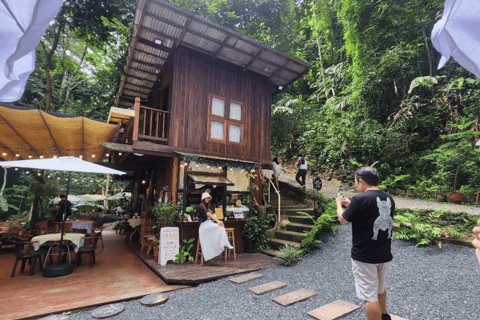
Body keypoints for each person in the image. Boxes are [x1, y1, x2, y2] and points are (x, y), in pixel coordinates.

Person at [335, 167, 395, 320]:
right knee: (380, 288)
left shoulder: (360, 199)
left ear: (361, 181)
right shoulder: (388, 198)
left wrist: (338, 204)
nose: (356, 186)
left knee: (369, 296)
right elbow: (370, 214)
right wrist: (350, 204)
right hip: (384, 253)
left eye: (355, 182)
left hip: (364, 256)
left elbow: (343, 219)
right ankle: (384, 316)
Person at [197, 192, 234, 261]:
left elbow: (213, 214)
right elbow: (208, 214)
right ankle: (225, 243)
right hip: (203, 225)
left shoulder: (209, 206)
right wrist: (217, 221)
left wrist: (218, 221)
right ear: (203, 198)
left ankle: (225, 242)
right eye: (206, 198)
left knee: (221, 225)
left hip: (209, 223)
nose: (208, 199)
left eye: (209, 198)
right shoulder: (200, 206)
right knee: (219, 226)